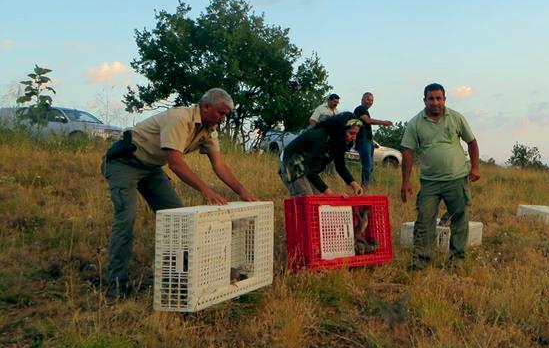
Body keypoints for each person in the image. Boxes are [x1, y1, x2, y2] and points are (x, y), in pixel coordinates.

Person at [101, 88, 258, 299]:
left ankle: (179, 280)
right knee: (126, 220)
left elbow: (219, 165)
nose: (223, 118)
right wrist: (205, 190)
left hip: (151, 167)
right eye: (221, 113)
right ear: (206, 107)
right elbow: (175, 163)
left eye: (226, 114)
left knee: (179, 221)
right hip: (124, 162)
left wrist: (243, 192)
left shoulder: (209, 129)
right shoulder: (179, 118)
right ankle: (116, 287)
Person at [400, 83, 481, 268]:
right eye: (431, 98)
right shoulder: (415, 123)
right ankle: (421, 259)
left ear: (444, 99)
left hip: (457, 179)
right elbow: (407, 153)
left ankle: (457, 260)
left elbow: (472, 142)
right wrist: (405, 183)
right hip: (430, 182)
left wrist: (475, 167)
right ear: (424, 100)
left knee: (460, 219)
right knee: (424, 220)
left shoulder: (456, 118)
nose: (435, 102)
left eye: (438, 98)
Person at [279, 112, 364, 197]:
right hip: (292, 162)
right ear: (340, 130)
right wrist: (331, 195)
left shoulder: (338, 141)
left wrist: (354, 184)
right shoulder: (319, 137)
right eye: (351, 133)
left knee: (319, 199)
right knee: (306, 197)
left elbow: (340, 166)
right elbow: (311, 170)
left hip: (307, 167)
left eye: (356, 134)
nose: (354, 138)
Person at [353, 92, 393, 187]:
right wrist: (383, 122)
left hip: (368, 140)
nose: (370, 102)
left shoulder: (365, 110)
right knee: (367, 164)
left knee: (370, 165)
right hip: (362, 140)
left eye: (371, 100)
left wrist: (372, 141)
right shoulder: (360, 109)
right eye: (368, 99)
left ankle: (368, 184)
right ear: (362, 100)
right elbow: (367, 121)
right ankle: (366, 186)